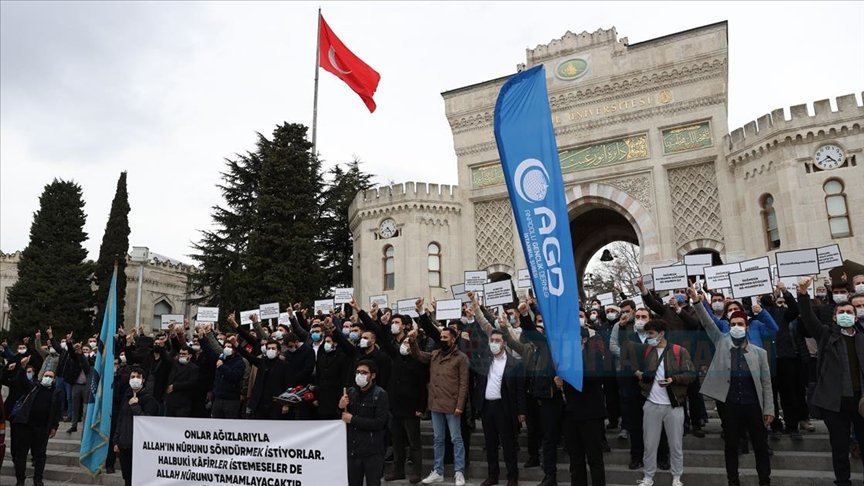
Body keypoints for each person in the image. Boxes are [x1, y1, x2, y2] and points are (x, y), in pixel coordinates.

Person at [691, 288, 773, 486]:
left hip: (753, 404)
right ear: (730, 326)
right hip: (730, 405)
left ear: (746, 327)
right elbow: (708, 322)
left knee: (760, 446)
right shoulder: (721, 341)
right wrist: (696, 302)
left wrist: (769, 409)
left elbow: (766, 383)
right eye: (733, 324)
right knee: (731, 445)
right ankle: (733, 481)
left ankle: (765, 480)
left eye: (740, 324)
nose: (736, 326)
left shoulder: (759, 353)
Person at [798, 276, 864, 486]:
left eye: (849, 312)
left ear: (855, 316)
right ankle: (843, 481)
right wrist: (802, 294)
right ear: (834, 317)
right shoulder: (826, 335)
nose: (846, 315)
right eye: (841, 313)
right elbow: (808, 319)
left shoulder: (862, 337)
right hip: (835, 404)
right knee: (839, 446)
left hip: (861, 402)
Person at [625, 319, 696, 486]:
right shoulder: (646, 352)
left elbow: (691, 374)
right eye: (647, 333)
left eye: (651, 333)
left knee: (676, 444)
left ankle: (677, 476)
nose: (648, 337)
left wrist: (674, 379)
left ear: (661, 334)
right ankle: (648, 477)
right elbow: (639, 372)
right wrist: (642, 378)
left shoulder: (679, 351)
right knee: (649, 444)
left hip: (674, 405)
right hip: (652, 404)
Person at [468, 302, 525, 486]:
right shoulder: (486, 361)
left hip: (505, 407)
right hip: (487, 407)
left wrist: (521, 411)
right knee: (490, 444)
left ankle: (512, 476)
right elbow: (482, 328)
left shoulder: (513, 365)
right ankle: (493, 475)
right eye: (492, 340)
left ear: (504, 343)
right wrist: (476, 309)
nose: (494, 343)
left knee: (508, 444)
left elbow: (519, 391)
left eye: (497, 341)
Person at [408, 326, 468, 486]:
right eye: (441, 337)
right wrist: (413, 341)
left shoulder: (461, 358)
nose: (442, 340)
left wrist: (460, 405)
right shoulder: (435, 354)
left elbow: (463, 384)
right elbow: (418, 355)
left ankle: (459, 472)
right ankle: (438, 471)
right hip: (435, 404)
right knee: (438, 439)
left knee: (456, 439)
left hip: (453, 404)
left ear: (453, 339)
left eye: (445, 337)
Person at [560, 327, 607, 486]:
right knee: (575, 459)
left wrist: (568, 375)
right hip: (571, 414)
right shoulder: (565, 357)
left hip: (590, 414)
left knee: (594, 458)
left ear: (584, 339)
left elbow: (595, 378)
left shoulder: (594, 356)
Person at [10, 368, 62, 486]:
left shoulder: (56, 392)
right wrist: (22, 369)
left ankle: (38, 480)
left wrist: (54, 427)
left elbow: (57, 412)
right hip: (25, 426)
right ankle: (20, 480)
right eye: (46, 375)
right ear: (42, 376)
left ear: (54, 379)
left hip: (42, 428)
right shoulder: (33, 387)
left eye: (50, 376)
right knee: (21, 455)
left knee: (40, 456)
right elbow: (22, 381)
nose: (47, 378)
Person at [342, 360, 391, 486]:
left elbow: (379, 423)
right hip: (354, 449)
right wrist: (340, 406)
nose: (360, 375)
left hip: (373, 451)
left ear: (372, 375)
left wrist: (353, 420)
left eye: (364, 372)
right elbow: (343, 418)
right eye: (358, 372)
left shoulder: (380, 394)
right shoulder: (350, 392)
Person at [113, 365, 158, 486]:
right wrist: (116, 441)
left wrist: (135, 406)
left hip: (139, 447)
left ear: (143, 380)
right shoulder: (126, 396)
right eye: (133, 377)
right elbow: (121, 419)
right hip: (124, 444)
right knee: (127, 478)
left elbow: (148, 422)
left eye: (138, 377)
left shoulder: (149, 399)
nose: (135, 379)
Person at [164, 346, 200, 417]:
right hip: (170, 401)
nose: (181, 355)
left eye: (184, 354)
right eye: (180, 353)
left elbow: (191, 383)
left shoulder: (194, 368)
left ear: (190, 355)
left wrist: (175, 386)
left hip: (183, 402)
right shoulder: (174, 365)